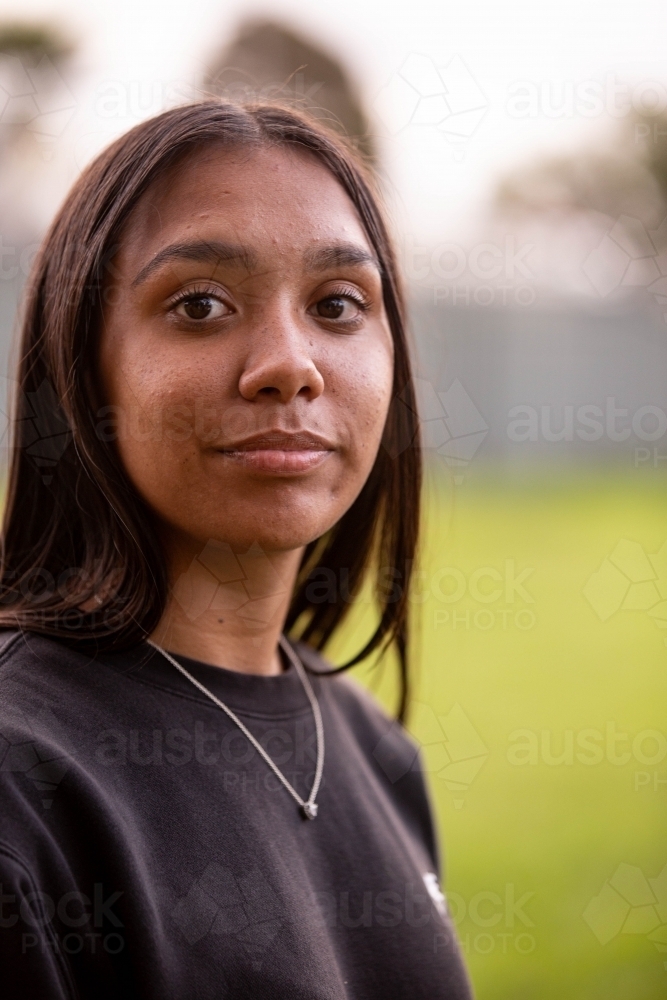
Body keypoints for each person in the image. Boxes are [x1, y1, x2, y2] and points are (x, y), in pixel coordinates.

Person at [0, 101, 472, 998]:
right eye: (200, 305)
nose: (289, 365)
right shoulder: (20, 780)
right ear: (78, 365)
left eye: (337, 305)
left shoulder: (371, 746)